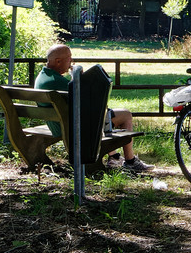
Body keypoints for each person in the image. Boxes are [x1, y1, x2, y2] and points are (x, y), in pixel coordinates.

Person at [36, 43, 154, 174]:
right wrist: (78, 78)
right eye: (69, 58)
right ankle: (130, 161)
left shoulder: (43, 77)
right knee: (125, 115)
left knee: (106, 115)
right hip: (73, 126)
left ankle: (114, 156)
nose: (71, 62)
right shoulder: (55, 81)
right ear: (58, 61)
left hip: (60, 124)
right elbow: (87, 99)